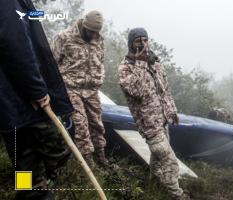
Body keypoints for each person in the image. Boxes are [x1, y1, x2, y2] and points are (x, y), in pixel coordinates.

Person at [0, 0, 74, 199]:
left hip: (9, 106)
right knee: (52, 149)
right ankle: (35, 191)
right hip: (22, 101)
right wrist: (37, 90)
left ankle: (27, 191)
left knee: (22, 160)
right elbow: (16, 45)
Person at [118, 28, 187, 200]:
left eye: (145, 39)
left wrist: (172, 110)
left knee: (157, 160)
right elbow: (138, 91)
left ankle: (153, 187)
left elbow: (165, 90)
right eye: (137, 40)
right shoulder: (125, 67)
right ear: (131, 43)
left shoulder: (155, 62)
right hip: (149, 124)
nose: (142, 43)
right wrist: (140, 63)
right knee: (169, 160)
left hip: (162, 120)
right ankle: (177, 195)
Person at [52, 10, 109, 167]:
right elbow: (51, 64)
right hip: (71, 88)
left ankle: (100, 158)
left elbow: (100, 61)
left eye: (96, 32)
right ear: (84, 25)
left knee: (97, 125)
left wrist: (99, 77)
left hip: (91, 90)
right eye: (90, 31)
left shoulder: (99, 40)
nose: (93, 34)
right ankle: (87, 164)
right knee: (80, 125)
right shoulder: (64, 37)